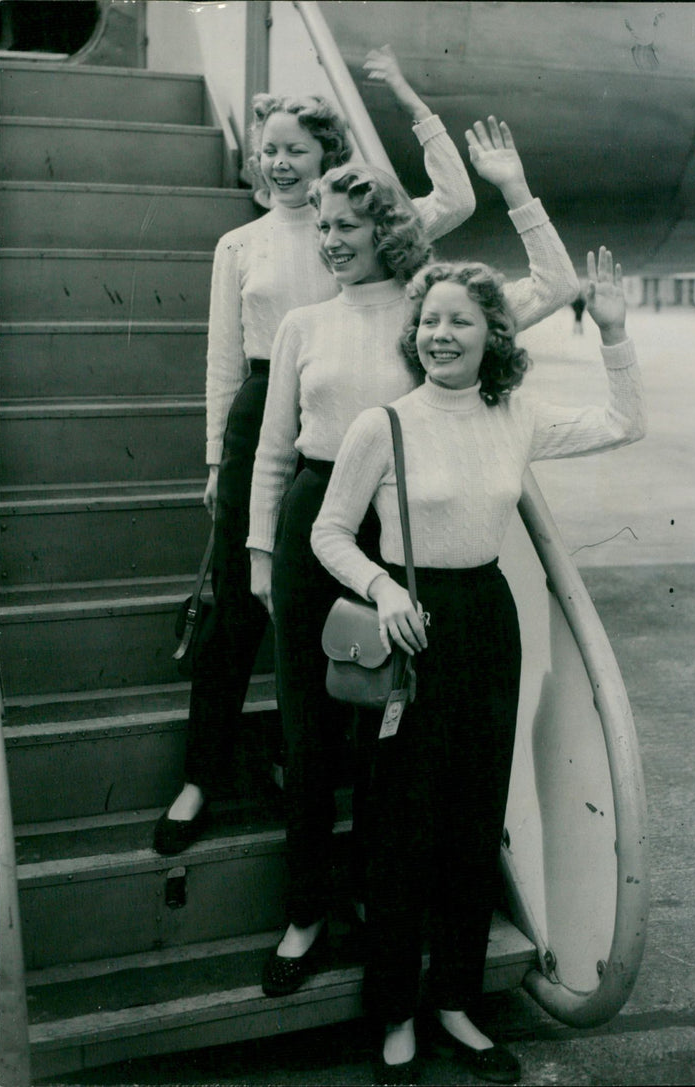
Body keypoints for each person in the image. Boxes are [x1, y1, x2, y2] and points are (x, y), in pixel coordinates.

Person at [247, 116, 580, 997]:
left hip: (400, 530)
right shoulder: (302, 324)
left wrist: (514, 188)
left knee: (395, 744)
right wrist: (255, 555)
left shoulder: (431, 310)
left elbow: (552, 282)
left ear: (385, 230)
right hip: (319, 515)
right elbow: (275, 450)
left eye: (346, 228)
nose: (330, 242)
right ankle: (306, 912)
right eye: (320, 229)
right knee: (314, 734)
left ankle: (387, 913)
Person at [310, 242, 645, 1082]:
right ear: (413, 333)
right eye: (429, 320)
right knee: (399, 830)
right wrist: (383, 589)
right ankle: (394, 1009)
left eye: (460, 319)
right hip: (412, 631)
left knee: (470, 819)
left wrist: (613, 333)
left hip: (487, 623)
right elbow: (327, 533)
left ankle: (454, 1001)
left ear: (493, 333)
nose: (440, 334)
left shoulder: (515, 414)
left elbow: (622, 422)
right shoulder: (381, 424)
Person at [153, 45, 475, 855]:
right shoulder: (241, 244)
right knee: (235, 606)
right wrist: (213, 468)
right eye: (268, 148)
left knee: (346, 598)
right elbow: (223, 363)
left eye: (295, 147)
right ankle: (200, 774)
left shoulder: (360, 219)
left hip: (343, 419)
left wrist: (406, 92)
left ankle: (336, 790)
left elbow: (458, 196)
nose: (279, 161)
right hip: (263, 406)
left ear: (326, 153)